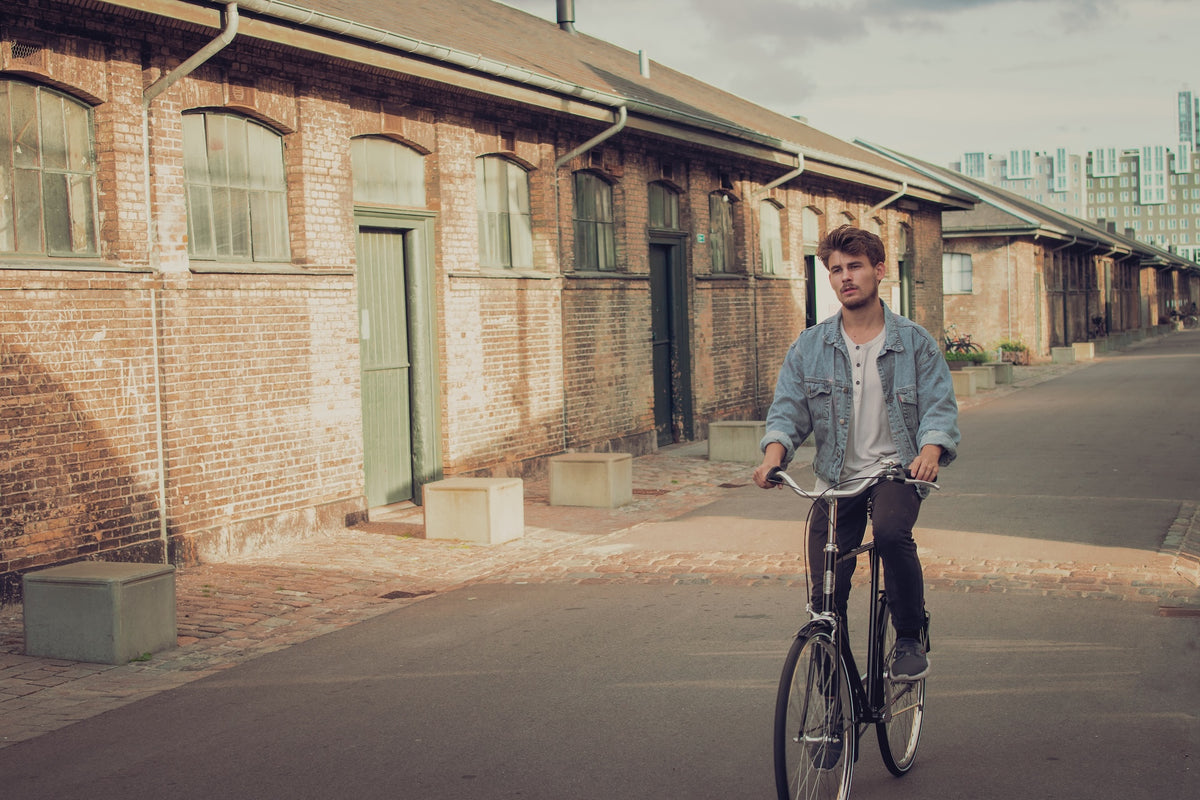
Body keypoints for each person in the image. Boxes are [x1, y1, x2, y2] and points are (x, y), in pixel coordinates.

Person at [752, 224, 959, 681]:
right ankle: (830, 705)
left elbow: (939, 407)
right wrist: (773, 456)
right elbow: (788, 411)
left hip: (896, 472)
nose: (845, 277)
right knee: (825, 596)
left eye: (856, 267)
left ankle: (908, 635)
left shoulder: (914, 342)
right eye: (836, 269)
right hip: (836, 478)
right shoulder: (810, 346)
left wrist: (929, 450)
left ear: (879, 270)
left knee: (889, 533)